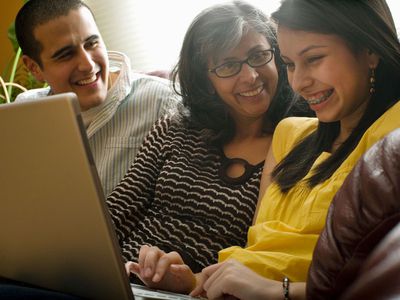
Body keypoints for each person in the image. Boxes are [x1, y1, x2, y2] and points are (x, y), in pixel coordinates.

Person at [127, 0, 400, 299]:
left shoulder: (393, 132)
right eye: (291, 64)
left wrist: (276, 291)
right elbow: (258, 255)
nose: (299, 83)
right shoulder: (290, 134)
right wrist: (189, 282)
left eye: (314, 58)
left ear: (369, 50)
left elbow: (379, 285)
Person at [107, 0, 312, 293]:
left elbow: (267, 253)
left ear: (277, 56)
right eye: (228, 65)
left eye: (258, 56)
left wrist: (190, 279)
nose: (250, 76)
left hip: (202, 291)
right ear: (206, 79)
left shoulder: (297, 139)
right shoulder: (175, 126)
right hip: (121, 278)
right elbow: (118, 210)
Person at [14, 0, 179, 197]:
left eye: (92, 43)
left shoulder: (164, 102)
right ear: (33, 67)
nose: (88, 65)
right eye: (65, 55)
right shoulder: (24, 113)